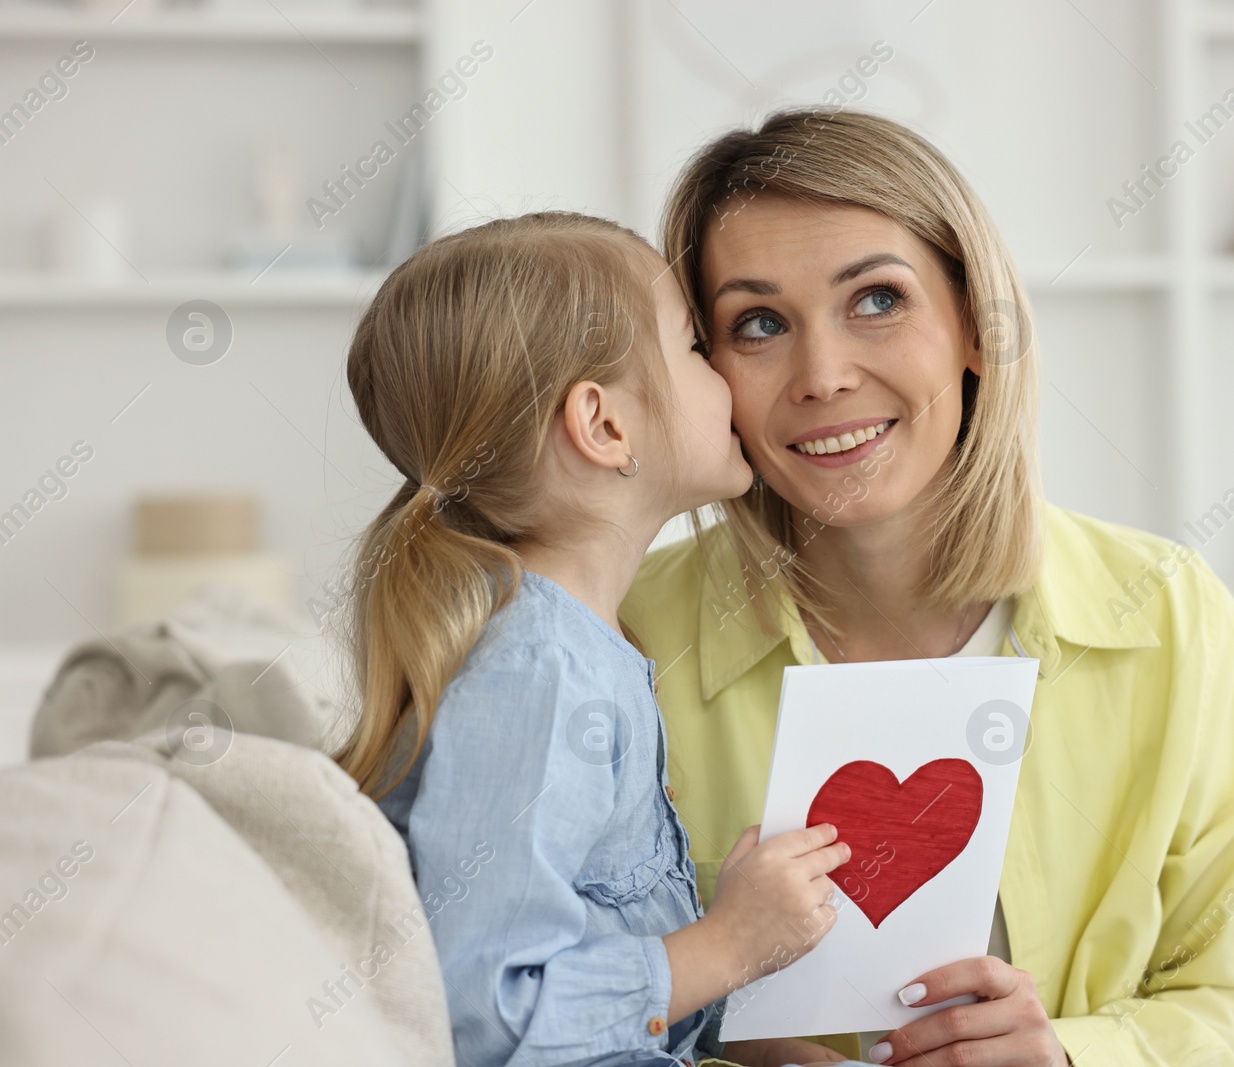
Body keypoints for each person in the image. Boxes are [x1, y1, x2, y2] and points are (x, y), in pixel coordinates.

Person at [620, 108, 1234, 1067]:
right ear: (708, 372)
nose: (823, 375)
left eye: (876, 301)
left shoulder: (1170, 615)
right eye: (760, 323)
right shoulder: (626, 634)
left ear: (977, 329)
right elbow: (540, 1008)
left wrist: (1067, 1056)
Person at [335, 211, 852, 1067]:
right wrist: (728, 941)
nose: (726, 369)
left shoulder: (582, 643)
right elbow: (485, 1013)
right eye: (693, 347)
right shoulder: (540, 671)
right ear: (604, 425)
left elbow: (616, 976)